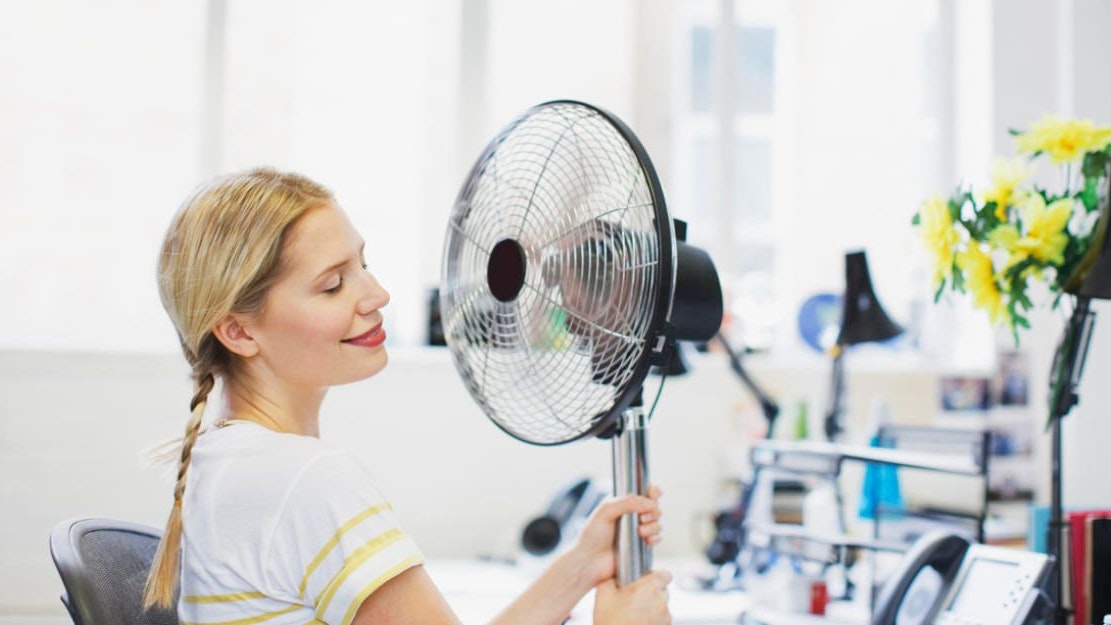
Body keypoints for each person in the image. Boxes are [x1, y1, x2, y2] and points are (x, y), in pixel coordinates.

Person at [142, 167, 673, 625]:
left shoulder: (230, 458)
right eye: (332, 285)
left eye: (363, 266)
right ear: (238, 332)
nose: (377, 296)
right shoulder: (304, 479)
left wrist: (580, 567)